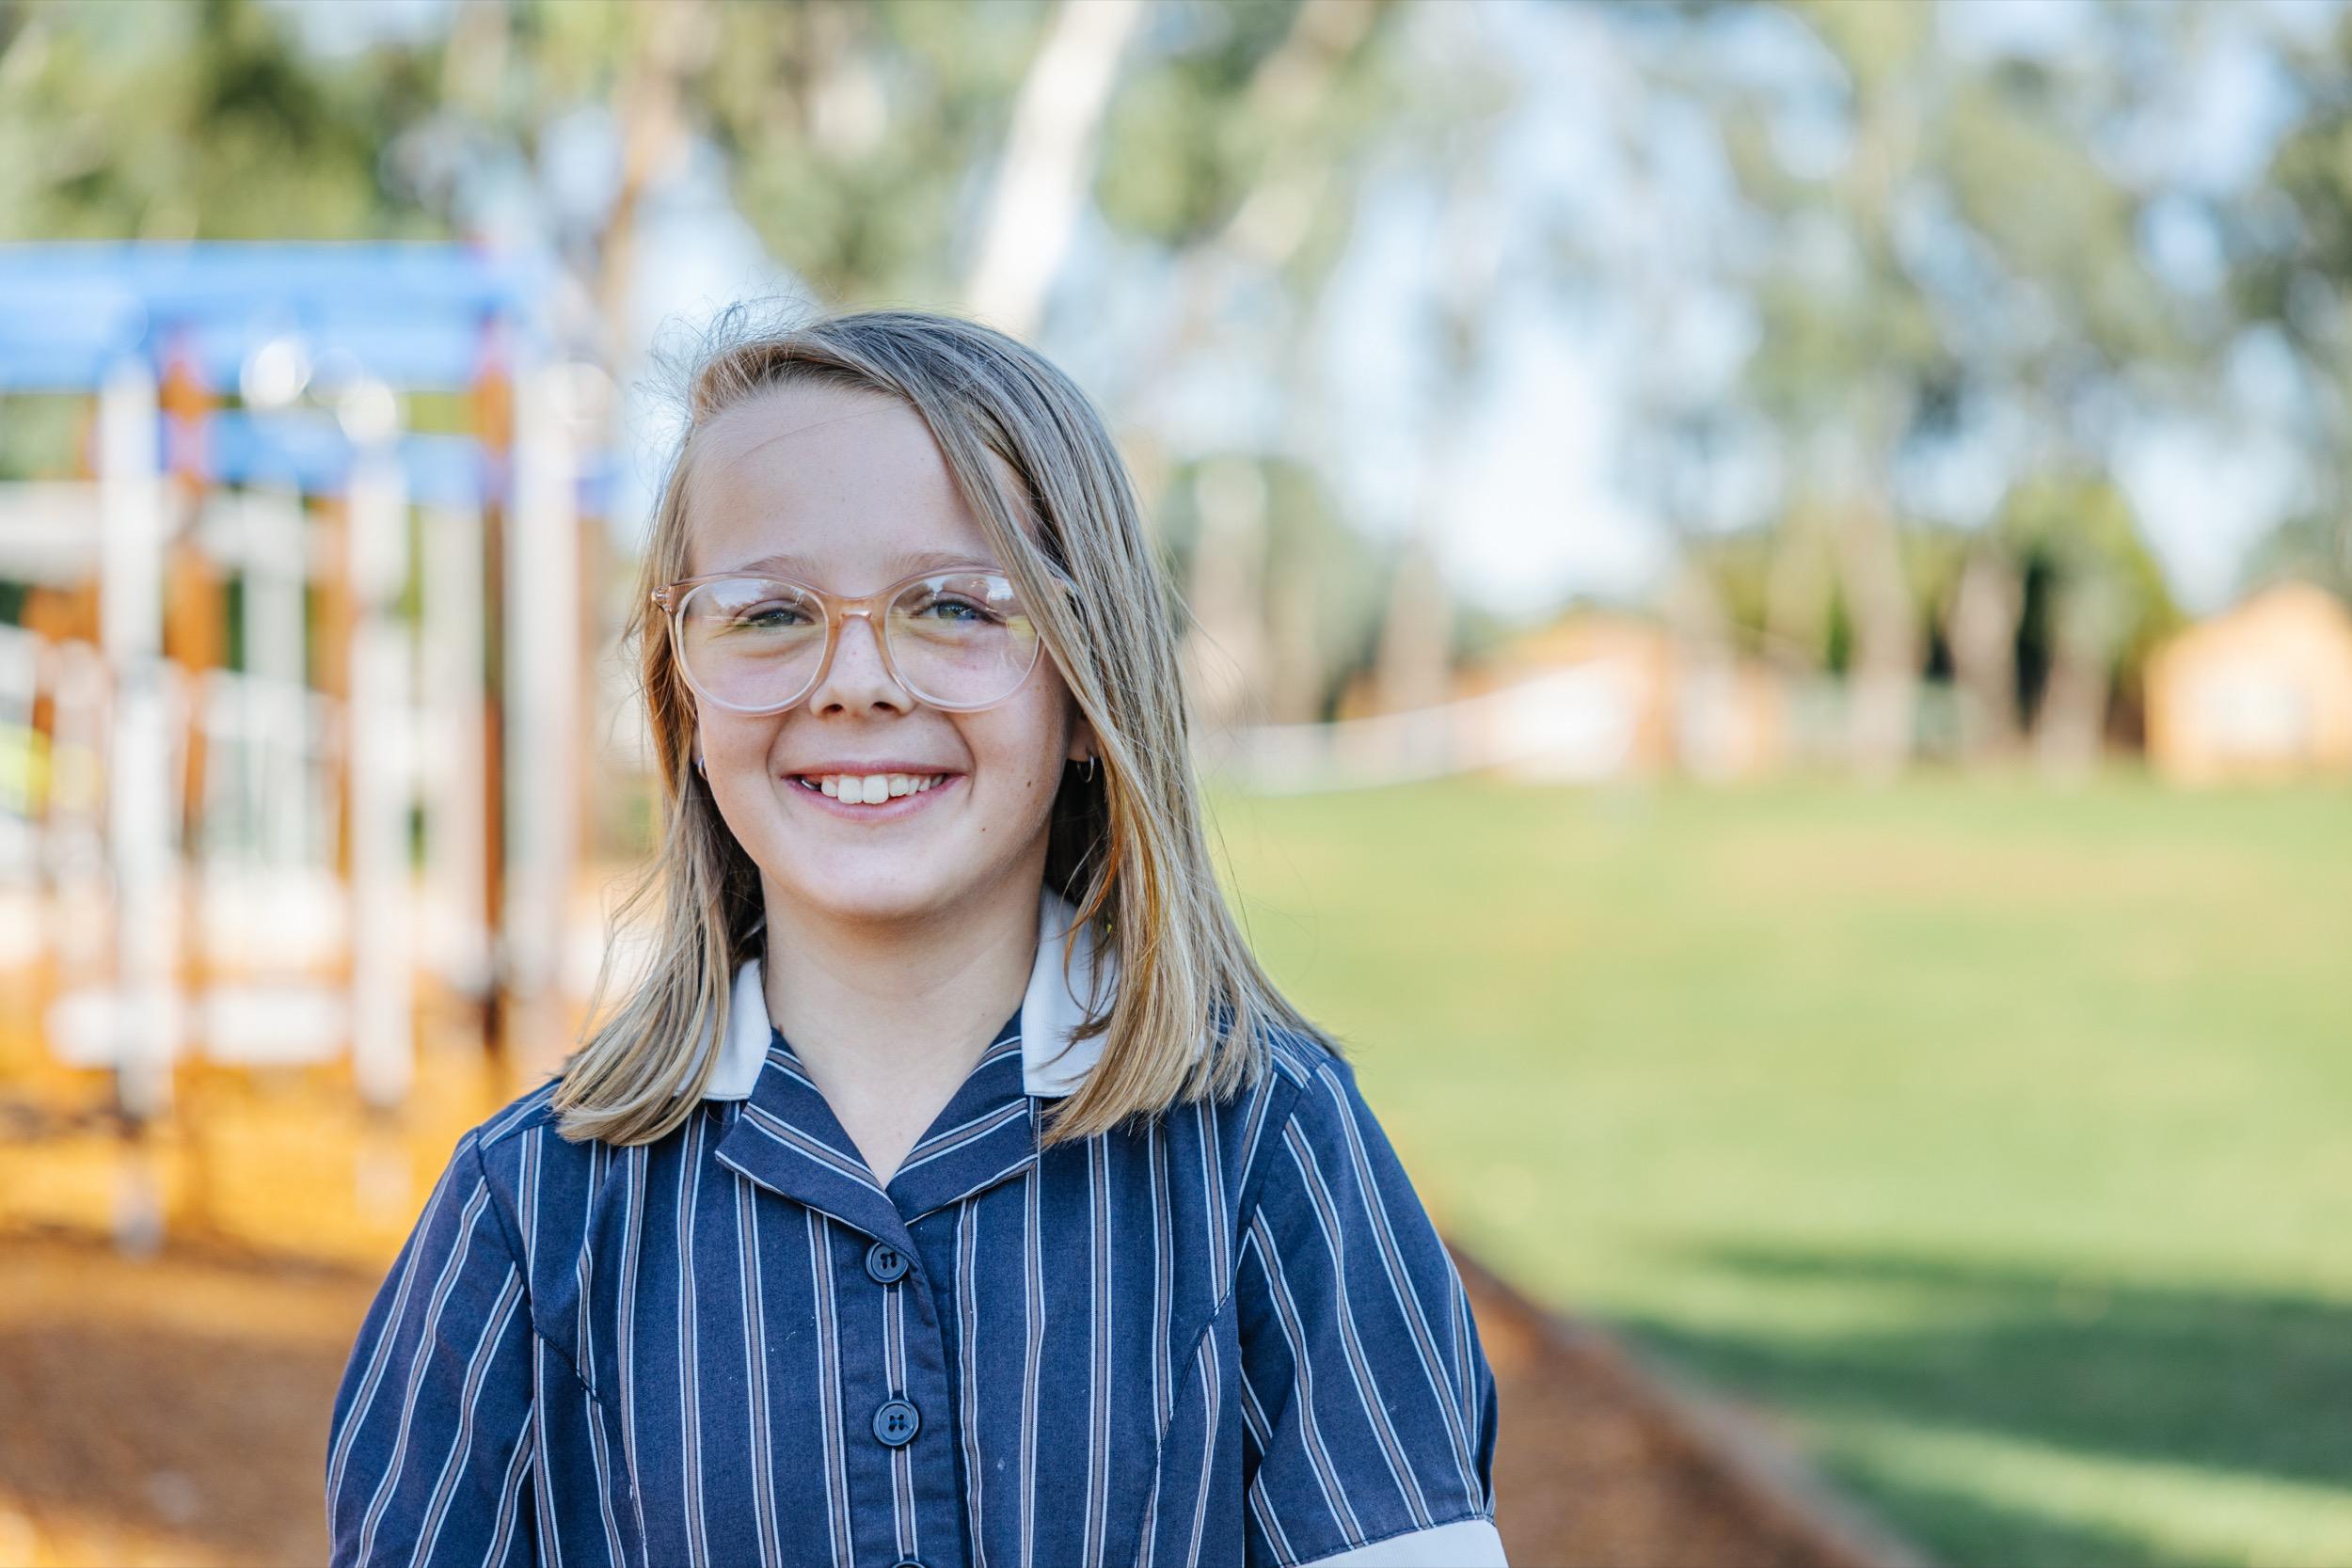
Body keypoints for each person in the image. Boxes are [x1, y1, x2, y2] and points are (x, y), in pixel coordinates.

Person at [326, 308, 1503, 1568]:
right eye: (771, 613)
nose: (855, 679)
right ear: (682, 688)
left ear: (1084, 689)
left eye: (951, 604)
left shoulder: (1271, 1148)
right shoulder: (532, 1210)